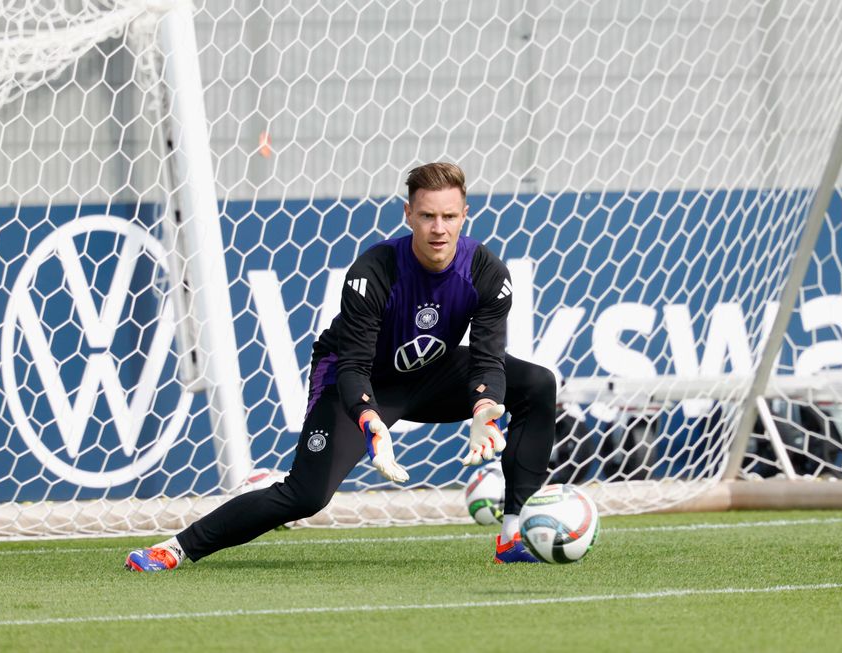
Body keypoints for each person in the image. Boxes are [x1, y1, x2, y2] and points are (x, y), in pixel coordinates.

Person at [125, 162, 557, 571]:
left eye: (448, 216)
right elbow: (352, 365)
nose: (438, 228)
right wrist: (368, 419)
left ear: (466, 215)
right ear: (408, 214)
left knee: (537, 384)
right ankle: (174, 549)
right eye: (427, 215)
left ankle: (513, 537)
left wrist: (485, 410)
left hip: (433, 370)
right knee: (306, 495)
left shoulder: (487, 273)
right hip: (356, 380)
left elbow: (486, 357)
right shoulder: (374, 271)